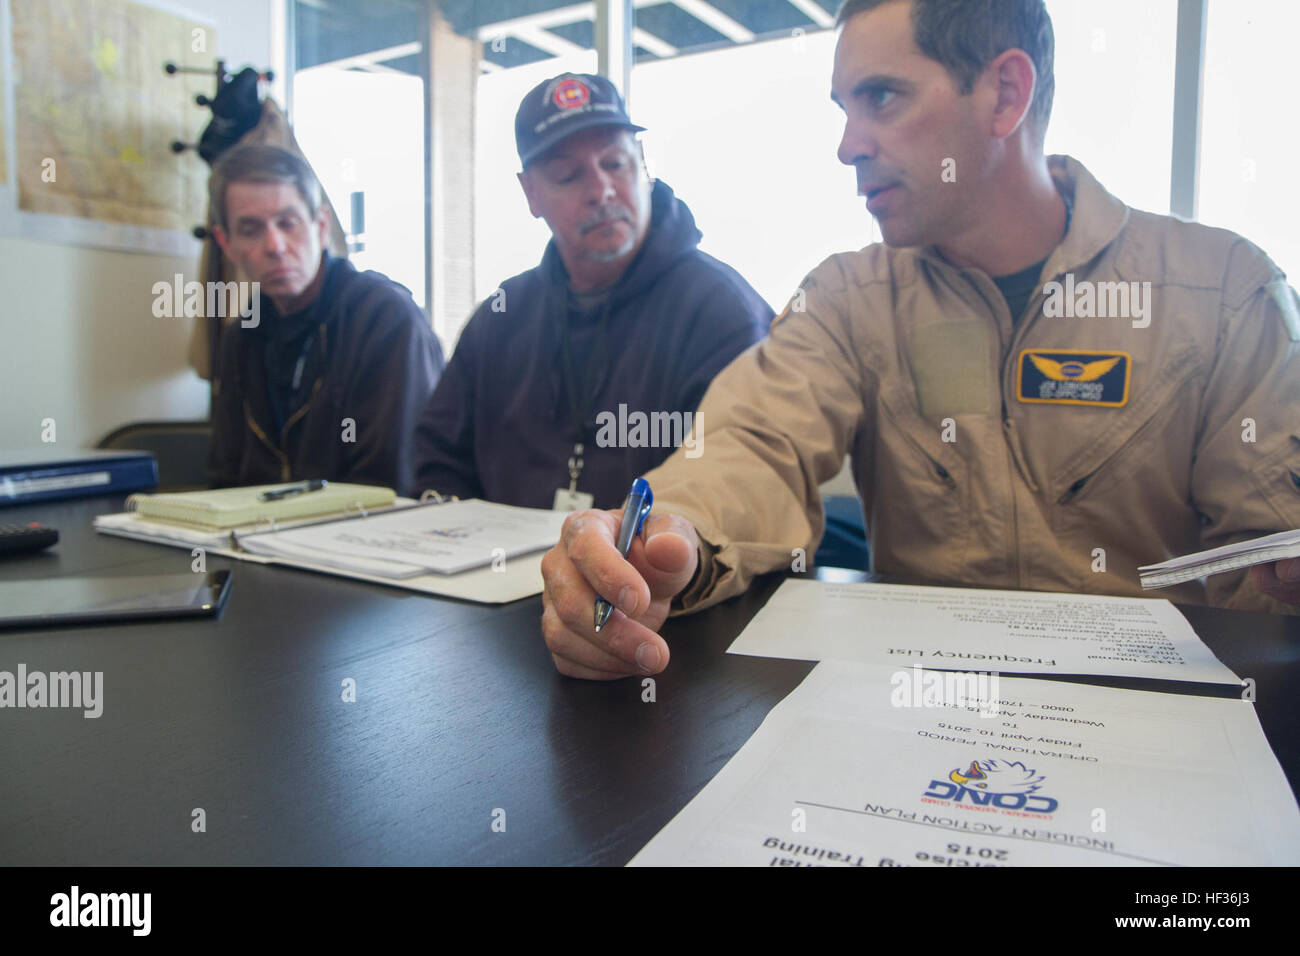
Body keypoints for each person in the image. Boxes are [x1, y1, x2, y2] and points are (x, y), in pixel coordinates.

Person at [539, 0, 1300, 680]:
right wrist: (667, 534)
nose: (847, 145)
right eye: (843, 106)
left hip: (1162, 736)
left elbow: (1268, 562)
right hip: (921, 718)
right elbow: (752, 446)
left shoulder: (1225, 290)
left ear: (1005, 93)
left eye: (881, 97)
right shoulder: (849, 298)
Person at [410, 73, 772, 509]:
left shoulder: (722, 312)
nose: (600, 190)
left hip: (652, 571)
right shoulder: (500, 318)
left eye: (615, 164)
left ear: (643, 165)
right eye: (568, 175)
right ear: (531, 195)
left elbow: (737, 493)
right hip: (498, 567)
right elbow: (435, 461)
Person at [207, 145, 444, 491]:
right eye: (250, 230)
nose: (275, 245)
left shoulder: (386, 320)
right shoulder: (241, 336)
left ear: (320, 226)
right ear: (225, 242)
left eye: (288, 223)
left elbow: (391, 485)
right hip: (254, 536)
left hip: (367, 534)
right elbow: (223, 480)